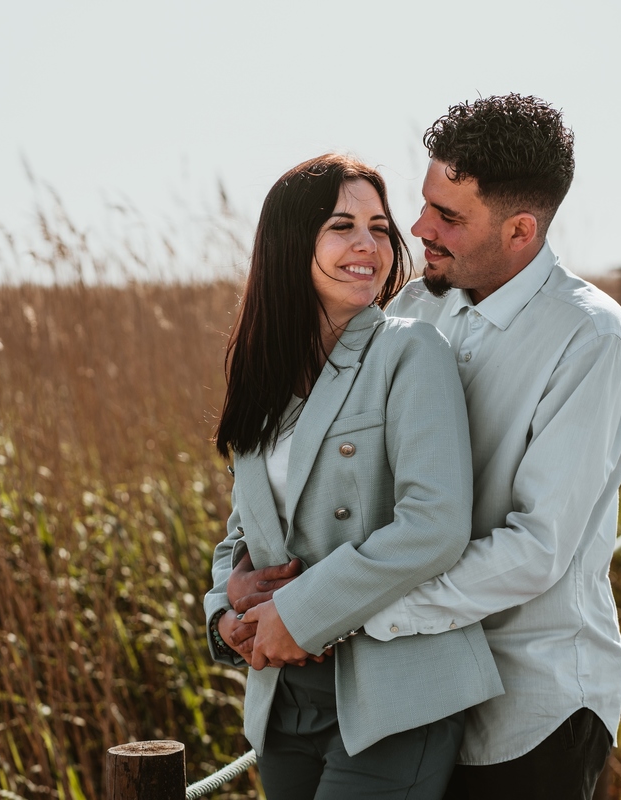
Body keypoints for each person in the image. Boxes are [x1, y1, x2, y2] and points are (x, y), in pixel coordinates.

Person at [225, 95, 621, 800]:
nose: (416, 228)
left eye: (448, 217)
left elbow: (534, 549)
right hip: (399, 688)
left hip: (532, 700)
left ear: (520, 229)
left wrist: (340, 615)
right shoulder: (414, 310)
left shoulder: (590, 339)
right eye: (423, 205)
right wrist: (243, 594)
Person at [203, 153, 503, 800]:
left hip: (394, 691)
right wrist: (226, 618)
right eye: (342, 226)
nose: (367, 245)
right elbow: (241, 536)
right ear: (291, 245)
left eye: (378, 225)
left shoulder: (409, 351)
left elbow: (435, 526)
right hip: (283, 699)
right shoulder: (264, 375)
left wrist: (299, 613)